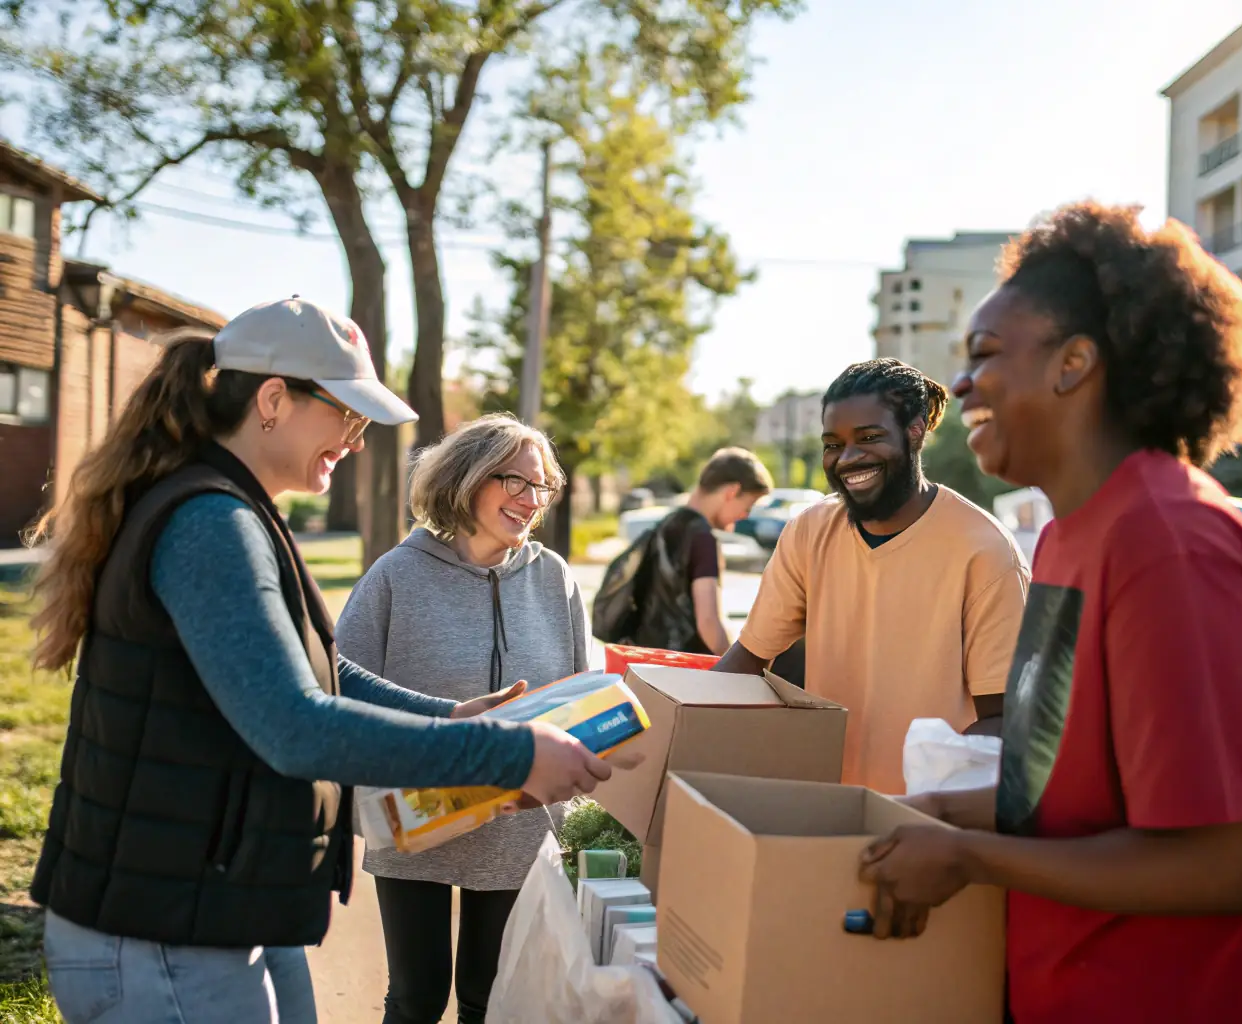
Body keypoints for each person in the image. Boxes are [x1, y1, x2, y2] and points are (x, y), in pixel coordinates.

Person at [25, 299, 608, 1024]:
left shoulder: (238, 511)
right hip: (159, 930)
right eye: (347, 416)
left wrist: (449, 715)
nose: (357, 441)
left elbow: (325, 672)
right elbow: (296, 726)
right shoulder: (211, 524)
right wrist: (505, 751)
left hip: (214, 906)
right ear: (274, 400)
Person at [858, 202, 1242, 1023]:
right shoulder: (1064, 539)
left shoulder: (1169, 542)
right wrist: (943, 814)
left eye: (984, 355)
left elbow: (1226, 863)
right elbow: (1081, 792)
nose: (958, 384)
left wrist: (967, 857)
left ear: (1073, 363)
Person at [335, 413, 590, 1024]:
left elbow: (582, 695)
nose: (531, 501)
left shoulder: (553, 577)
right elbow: (337, 682)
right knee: (417, 997)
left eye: (542, 488)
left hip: (518, 820)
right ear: (467, 477)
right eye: (515, 482)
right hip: (414, 811)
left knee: (490, 996)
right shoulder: (396, 574)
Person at [713, 358, 1029, 792]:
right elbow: (748, 659)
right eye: (832, 444)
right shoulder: (809, 531)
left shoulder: (984, 549)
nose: (847, 458)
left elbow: (1005, 721)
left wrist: (929, 794)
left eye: (870, 438)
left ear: (915, 431)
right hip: (826, 806)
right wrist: (665, 726)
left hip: (926, 826)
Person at [631, 447, 773, 656]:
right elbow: (708, 622)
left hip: (646, 663)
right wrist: (736, 667)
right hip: (684, 669)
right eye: (748, 506)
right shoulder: (703, 539)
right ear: (732, 492)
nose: (745, 515)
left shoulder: (665, 526)